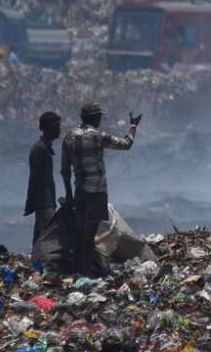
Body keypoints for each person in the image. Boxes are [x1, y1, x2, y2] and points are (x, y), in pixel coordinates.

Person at [61, 102, 141, 276]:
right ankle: (85, 272)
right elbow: (126, 144)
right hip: (97, 192)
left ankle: (76, 269)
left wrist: (69, 195)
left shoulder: (69, 136)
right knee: (90, 233)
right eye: (99, 116)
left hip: (79, 191)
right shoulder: (98, 136)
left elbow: (65, 170)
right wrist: (133, 126)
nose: (100, 119)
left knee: (80, 231)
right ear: (94, 117)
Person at [25, 111, 61, 245]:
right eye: (57, 126)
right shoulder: (40, 149)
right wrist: (31, 203)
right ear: (50, 128)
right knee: (50, 239)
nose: (59, 129)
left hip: (46, 201)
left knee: (40, 237)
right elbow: (34, 179)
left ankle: (36, 264)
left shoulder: (44, 148)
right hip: (44, 203)